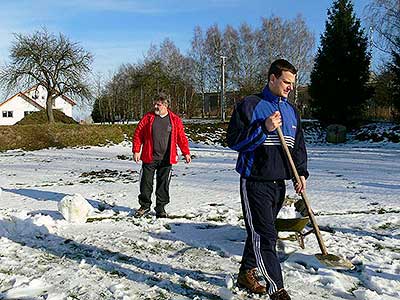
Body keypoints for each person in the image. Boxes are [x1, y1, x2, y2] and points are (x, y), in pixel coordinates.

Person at [226, 59, 308, 300]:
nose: (290, 87)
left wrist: (300, 172)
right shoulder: (250, 105)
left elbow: (298, 147)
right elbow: (234, 141)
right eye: (286, 82)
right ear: (272, 78)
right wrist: (264, 128)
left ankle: (245, 273)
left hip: (278, 183)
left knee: (260, 232)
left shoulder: (291, 112)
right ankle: (277, 289)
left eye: (292, 83)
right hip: (254, 181)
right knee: (266, 235)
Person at [132, 93, 191, 218]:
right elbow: (138, 134)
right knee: (145, 183)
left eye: (158, 104)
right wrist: (136, 150)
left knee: (163, 184)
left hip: (166, 158)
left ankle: (161, 208)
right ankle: (144, 206)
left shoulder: (174, 119)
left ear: (165, 105)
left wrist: (186, 153)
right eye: (155, 104)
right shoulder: (148, 118)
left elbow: (181, 137)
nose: (155, 106)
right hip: (149, 157)